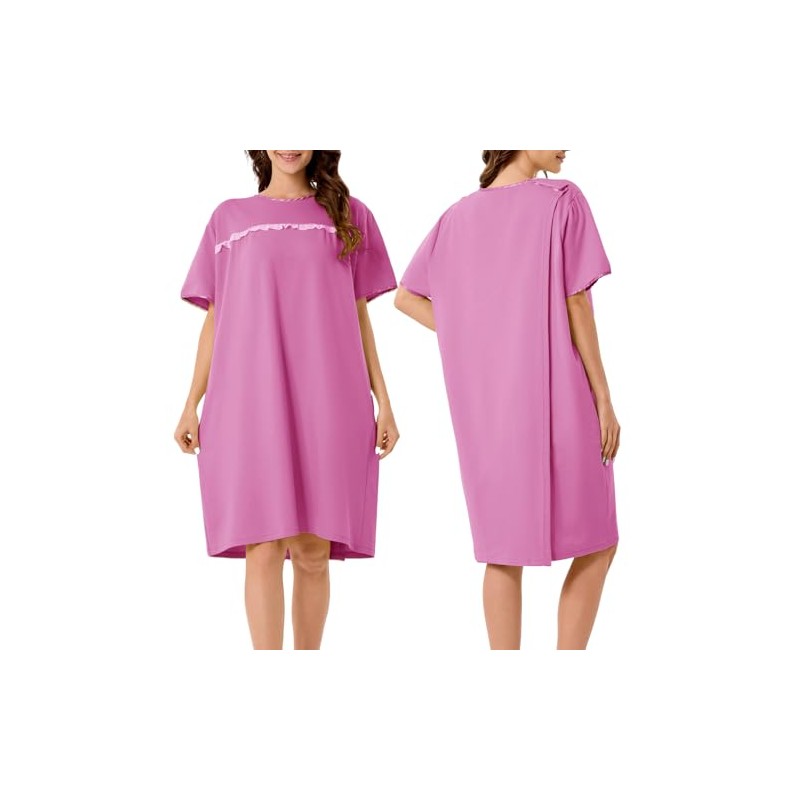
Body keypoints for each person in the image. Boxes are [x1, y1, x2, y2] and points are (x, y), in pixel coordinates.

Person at [395, 150, 620, 650]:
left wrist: (474, 333)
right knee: (600, 540)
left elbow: (407, 298)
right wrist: (603, 397)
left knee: (503, 550)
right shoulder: (562, 199)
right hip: (561, 393)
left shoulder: (456, 217)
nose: (564, 146)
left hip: (488, 407)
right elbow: (576, 301)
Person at [175, 150, 399, 650]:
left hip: (332, 397)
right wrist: (192, 402)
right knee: (263, 545)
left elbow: (359, 313)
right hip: (248, 398)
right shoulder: (229, 219)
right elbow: (216, 315)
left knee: (313, 550)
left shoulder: (349, 214)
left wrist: (383, 399)